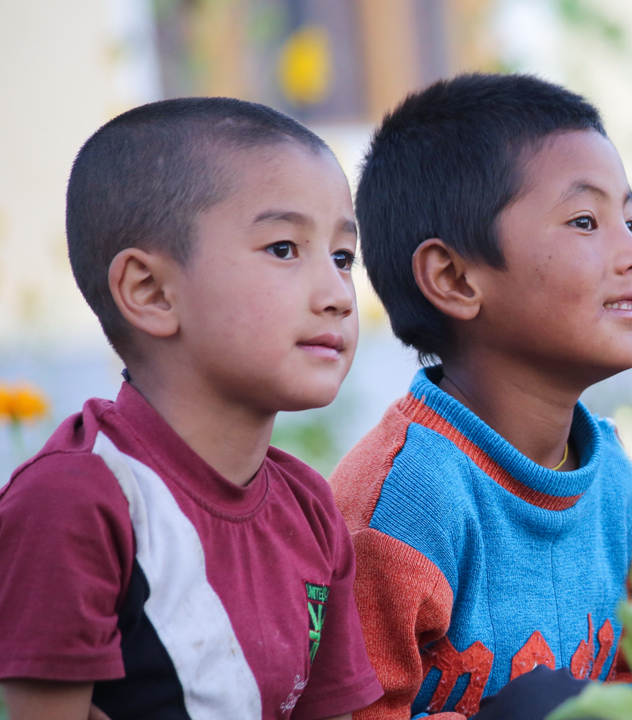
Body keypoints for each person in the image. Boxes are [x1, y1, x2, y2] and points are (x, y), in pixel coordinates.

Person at [0, 98, 383, 720]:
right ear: (150, 292)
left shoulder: (310, 510)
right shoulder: (80, 502)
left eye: (343, 258)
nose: (338, 294)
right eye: (285, 249)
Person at [329, 74, 632, 719]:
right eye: (586, 221)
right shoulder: (399, 507)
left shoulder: (612, 478)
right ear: (454, 277)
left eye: (629, 221)